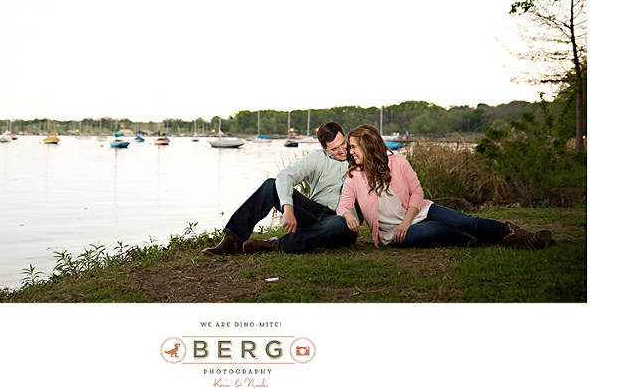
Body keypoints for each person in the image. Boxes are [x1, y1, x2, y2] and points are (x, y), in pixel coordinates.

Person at [337, 124, 552, 249]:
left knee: (468, 220)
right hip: (394, 234)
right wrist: (348, 216)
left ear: (368, 146)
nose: (351, 151)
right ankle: (485, 241)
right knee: (440, 230)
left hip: (420, 212)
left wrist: (406, 221)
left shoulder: (399, 162)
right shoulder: (354, 176)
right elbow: (343, 206)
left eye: (354, 147)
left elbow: (417, 192)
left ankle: (524, 238)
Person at [203, 121, 359, 255]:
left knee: (336, 224)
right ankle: (233, 240)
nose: (342, 150)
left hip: (344, 222)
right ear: (324, 148)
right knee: (271, 185)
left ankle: (275, 244)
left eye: (343, 143)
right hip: (315, 212)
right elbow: (285, 176)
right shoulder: (318, 158)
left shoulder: (358, 158)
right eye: (334, 149)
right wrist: (288, 206)